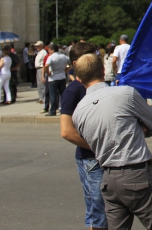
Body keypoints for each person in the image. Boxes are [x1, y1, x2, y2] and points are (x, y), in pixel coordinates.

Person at [73, 54, 152, 230]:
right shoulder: (126, 93)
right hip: (137, 171)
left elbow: (93, 139)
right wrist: (139, 126)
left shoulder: (79, 111)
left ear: (79, 78)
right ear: (104, 70)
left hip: (109, 179)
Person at [60, 42, 107, 230]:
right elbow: (67, 131)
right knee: (98, 212)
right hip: (91, 159)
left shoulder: (98, 86)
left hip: (102, 156)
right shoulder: (73, 91)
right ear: (75, 63)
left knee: (105, 210)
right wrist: (97, 147)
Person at [44, 43, 69, 117]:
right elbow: (70, 64)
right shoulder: (63, 56)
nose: (48, 52)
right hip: (62, 76)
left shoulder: (51, 57)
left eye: (49, 50)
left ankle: (52, 110)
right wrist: (66, 70)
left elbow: (46, 65)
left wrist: (48, 73)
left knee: (53, 95)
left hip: (53, 77)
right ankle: (64, 109)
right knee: (63, 94)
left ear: (52, 50)